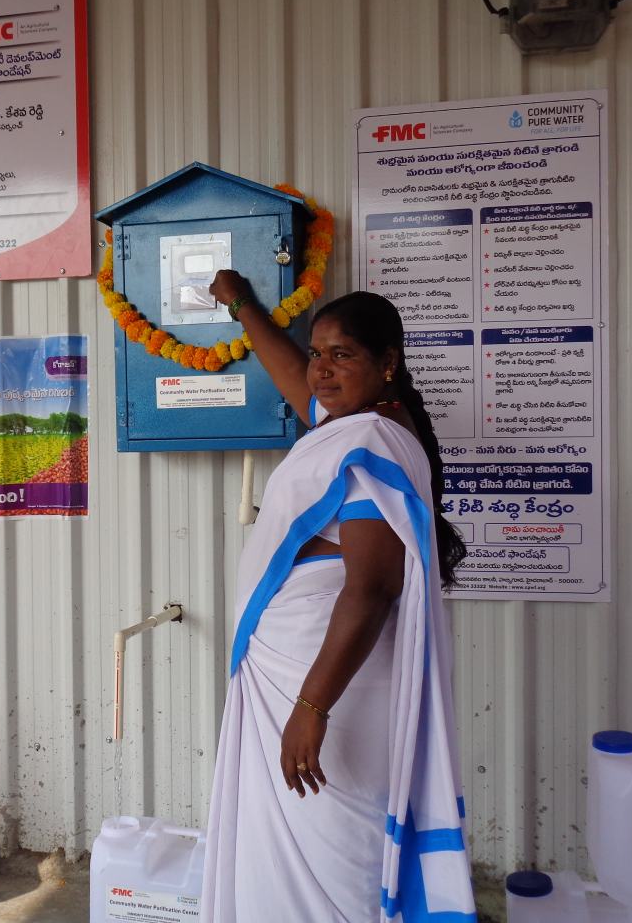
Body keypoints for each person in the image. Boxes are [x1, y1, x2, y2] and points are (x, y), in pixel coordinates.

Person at [201, 272, 476, 922]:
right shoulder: (356, 421)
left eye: (342, 354)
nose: (322, 370)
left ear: (388, 364)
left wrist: (312, 707)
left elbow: (373, 587)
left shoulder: (373, 440)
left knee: (330, 850)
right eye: (319, 352)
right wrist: (243, 305)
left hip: (329, 684)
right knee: (293, 843)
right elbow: (294, 374)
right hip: (304, 669)